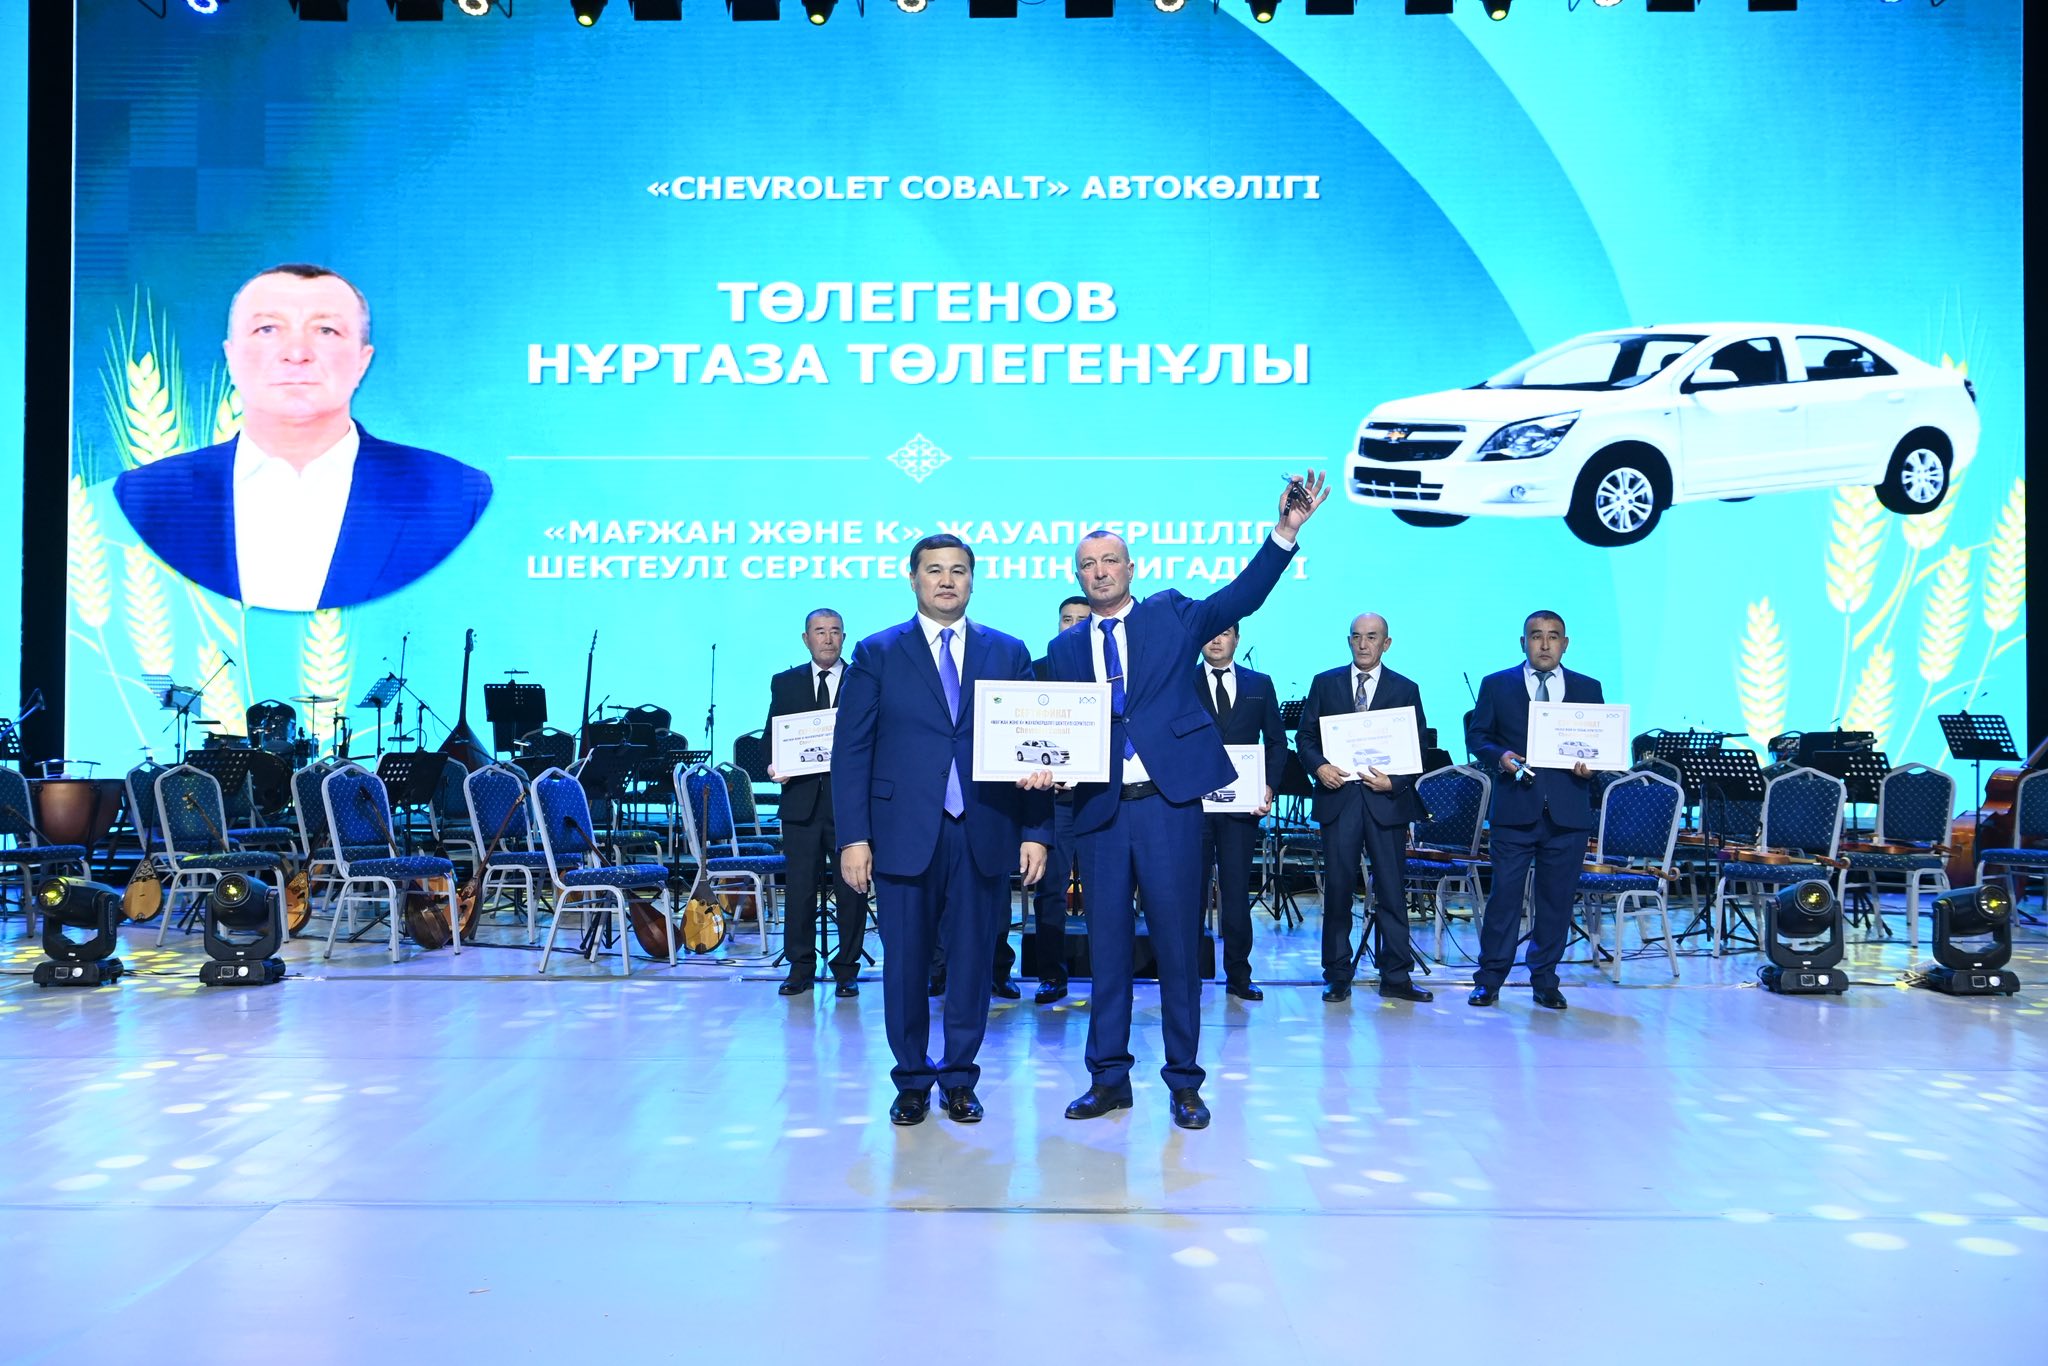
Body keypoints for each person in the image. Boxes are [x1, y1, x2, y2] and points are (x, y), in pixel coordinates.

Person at [1044, 473, 1328, 1131]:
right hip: (1101, 813)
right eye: (1087, 564)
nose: (1099, 571)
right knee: (1107, 951)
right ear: (1078, 576)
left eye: (1110, 560)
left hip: (1168, 808)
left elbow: (1242, 595)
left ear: (1130, 568)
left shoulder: (1170, 613)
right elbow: (1062, 728)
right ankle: (1108, 1078)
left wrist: (1285, 533)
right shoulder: (1063, 648)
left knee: (1177, 947)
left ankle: (1184, 1083)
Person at [113, 264, 492, 612]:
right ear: (231, 356)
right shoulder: (145, 497)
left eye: (326, 331)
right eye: (267, 330)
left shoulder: (456, 494)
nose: (296, 354)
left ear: (363, 360)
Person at [834, 534, 1051, 1126]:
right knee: (905, 964)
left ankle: (959, 1077)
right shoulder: (877, 652)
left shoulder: (1008, 652)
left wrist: (1036, 831)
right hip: (902, 833)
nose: (947, 580)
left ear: (972, 580)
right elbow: (851, 752)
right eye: (934, 570)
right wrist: (854, 837)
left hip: (983, 829)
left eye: (958, 570)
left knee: (973, 964)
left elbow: (1035, 747)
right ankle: (910, 1079)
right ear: (913, 579)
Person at [1465, 610, 1604, 1011]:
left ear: (1565, 643)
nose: (1545, 644)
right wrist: (1500, 756)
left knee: (1556, 901)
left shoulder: (1588, 687)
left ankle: (1545, 980)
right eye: (1536, 635)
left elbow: (1599, 742)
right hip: (1515, 809)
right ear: (1522, 642)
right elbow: (1478, 735)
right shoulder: (1497, 684)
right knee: (1504, 899)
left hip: (1568, 811)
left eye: (1553, 636)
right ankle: (1489, 979)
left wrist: (1592, 766)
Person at [1295, 613, 1434, 1004]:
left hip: (1386, 802)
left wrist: (1396, 781)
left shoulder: (1405, 688)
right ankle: (1337, 975)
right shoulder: (1325, 683)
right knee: (1339, 890)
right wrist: (1319, 767)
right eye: (1356, 636)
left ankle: (1396, 976)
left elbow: (1419, 747)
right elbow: (1305, 738)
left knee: (1391, 890)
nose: (1363, 644)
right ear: (1348, 641)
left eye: (1372, 637)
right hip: (1339, 800)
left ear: (1386, 643)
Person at [765, 609, 869, 998]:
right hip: (801, 804)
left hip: (850, 806)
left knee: (853, 889)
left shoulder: (862, 678)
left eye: (835, 631)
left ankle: (847, 969)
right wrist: (775, 765)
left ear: (844, 637)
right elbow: (771, 737)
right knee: (800, 890)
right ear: (805, 639)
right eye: (820, 631)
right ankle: (800, 967)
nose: (827, 638)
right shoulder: (785, 682)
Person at [1194, 624, 1288, 1002]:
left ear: (1237, 639)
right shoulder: (1182, 680)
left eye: (1225, 633)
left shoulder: (1259, 683)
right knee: (1191, 894)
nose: (1216, 639)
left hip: (1242, 808)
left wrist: (1269, 786)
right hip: (1193, 807)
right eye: (1210, 633)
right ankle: (1189, 974)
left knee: (1235, 893)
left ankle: (1239, 975)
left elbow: (1277, 742)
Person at [1028, 595, 1094, 1004]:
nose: (1073, 626)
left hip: (1098, 799)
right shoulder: (1035, 672)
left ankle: (1109, 977)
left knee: (1105, 893)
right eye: (1066, 619)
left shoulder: (1108, 669)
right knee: (1050, 891)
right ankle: (1051, 976)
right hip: (1051, 802)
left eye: (1081, 620)